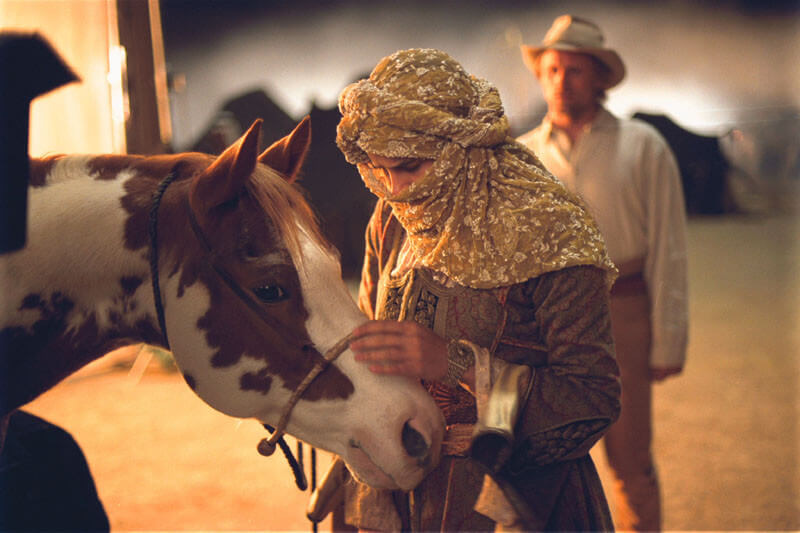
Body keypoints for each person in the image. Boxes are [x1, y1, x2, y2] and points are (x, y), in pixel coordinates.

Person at [315, 47, 622, 532]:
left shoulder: (548, 230)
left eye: (410, 167)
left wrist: (455, 365)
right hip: (396, 494)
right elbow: (369, 353)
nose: (395, 189)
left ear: (459, 148)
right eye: (380, 170)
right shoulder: (390, 220)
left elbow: (590, 399)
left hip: (509, 502)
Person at [518, 15, 689, 532]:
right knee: (547, 458)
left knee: (630, 459)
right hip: (547, 322)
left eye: (574, 69)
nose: (561, 80)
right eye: (552, 68)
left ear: (598, 77)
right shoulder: (523, 155)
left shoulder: (643, 146)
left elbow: (669, 248)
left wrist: (667, 344)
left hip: (624, 312)